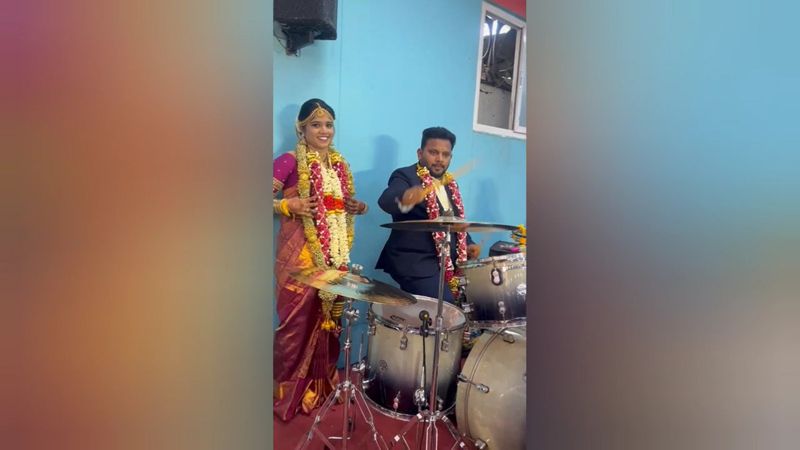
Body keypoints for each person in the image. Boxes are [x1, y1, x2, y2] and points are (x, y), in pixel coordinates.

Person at [272, 98, 368, 422]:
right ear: (301, 128)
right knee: (295, 326)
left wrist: (354, 206)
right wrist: (289, 206)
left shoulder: (339, 166)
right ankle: (286, 394)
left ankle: (322, 388)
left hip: (333, 257)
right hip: (297, 257)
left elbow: (335, 207)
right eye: (316, 124)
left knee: (331, 321)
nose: (323, 130)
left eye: (328, 124)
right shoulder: (287, 161)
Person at [376, 126, 480, 303]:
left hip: (446, 263)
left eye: (445, 155)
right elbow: (386, 200)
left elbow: (452, 220)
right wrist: (406, 196)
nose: (440, 159)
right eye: (433, 152)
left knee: (475, 301)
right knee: (448, 307)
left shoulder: (450, 185)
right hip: (414, 263)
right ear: (420, 153)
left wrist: (468, 243)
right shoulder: (405, 176)